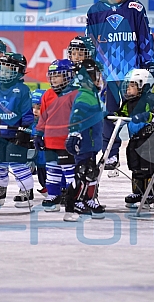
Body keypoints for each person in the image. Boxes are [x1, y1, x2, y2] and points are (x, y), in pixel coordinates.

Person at [86, 0, 154, 174]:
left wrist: (149, 63)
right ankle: (111, 153)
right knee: (107, 115)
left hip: (131, 74)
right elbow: (90, 41)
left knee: (137, 116)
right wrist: (90, 67)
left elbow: (145, 38)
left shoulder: (135, 8)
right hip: (107, 74)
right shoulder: (95, 10)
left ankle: (141, 158)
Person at [0, 52, 36, 208]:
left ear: (19, 71)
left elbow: (27, 114)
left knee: (17, 163)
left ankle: (26, 190)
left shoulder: (22, 90)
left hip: (16, 133)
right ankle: (0, 188)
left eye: (9, 69)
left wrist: (24, 131)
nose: (4, 72)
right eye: (2, 68)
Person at [114, 69, 154, 208]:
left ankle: (151, 194)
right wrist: (112, 116)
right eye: (128, 85)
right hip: (135, 139)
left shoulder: (151, 98)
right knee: (135, 166)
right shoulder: (128, 102)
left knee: (149, 167)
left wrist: (144, 116)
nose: (128, 88)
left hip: (150, 140)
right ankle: (138, 192)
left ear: (143, 85)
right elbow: (122, 114)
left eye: (132, 85)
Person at [33, 59, 77, 213]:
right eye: (51, 76)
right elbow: (43, 117)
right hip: (50, 141)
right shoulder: (47, 95)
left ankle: (73, 199)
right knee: (52, 171)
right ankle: (53, 196)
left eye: (57, 75)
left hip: (67, 142)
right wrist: (38, 134)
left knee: (69, 172)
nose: (53, 79)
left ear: (69, 76)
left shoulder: (76, 94)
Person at [64, 59, 105, 221]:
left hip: (93, 143)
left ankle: (88, 199)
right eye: (96, 76)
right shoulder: (84, 97)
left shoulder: (93, 95)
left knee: (91, 174)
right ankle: (72, 203)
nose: (98, 79)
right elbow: (77, 117)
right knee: (82, 172)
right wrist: (74, 134)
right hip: (84, 143)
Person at [30, 89, 47, 196]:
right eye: (33, 107)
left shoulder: (49, 123)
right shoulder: (29, 122)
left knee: (45, 178)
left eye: (39, 108)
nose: (35, 111)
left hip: (45, 160)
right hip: (32, 157)